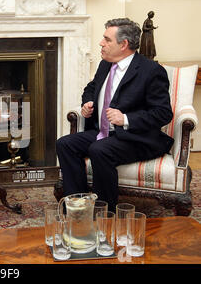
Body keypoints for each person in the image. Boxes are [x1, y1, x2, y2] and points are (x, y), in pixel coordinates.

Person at [56, 18, 173, 212]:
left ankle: (105, 212)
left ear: (124, 44)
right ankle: (79, 205)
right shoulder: (105, 64)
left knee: (99, 149)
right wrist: (88, 103)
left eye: (107, 39)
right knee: (65, 144)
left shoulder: (151, 71)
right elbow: (91, 88)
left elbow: (162, 113)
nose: (101, 43)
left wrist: (126, 119)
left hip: (137, 138)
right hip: (104, 132)